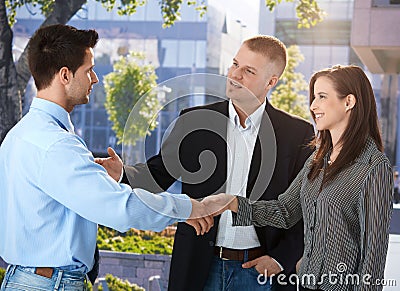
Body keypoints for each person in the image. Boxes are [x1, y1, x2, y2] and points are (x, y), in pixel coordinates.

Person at [0, 24, 213, 291]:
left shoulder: (20, 135)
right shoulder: (56, 145)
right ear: (65, 75)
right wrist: (190, 208)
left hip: (30, 279)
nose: (95, 79)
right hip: (48, 284)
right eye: (89, 70)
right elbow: (120, 209)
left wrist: (99, 176)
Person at [98, 35, 314, 291]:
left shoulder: (297, 134)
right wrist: (123, 173)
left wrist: (280, 260)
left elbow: (305, 208)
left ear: (271, 82)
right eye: (234, 64)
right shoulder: (194, 122)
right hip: (200, 265)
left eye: (248, 71)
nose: (235, 75)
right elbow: (159, 174)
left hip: (261, 273)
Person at [207, 65, 394, 291]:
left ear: (349, 102)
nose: (313, 106)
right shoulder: (318, 158)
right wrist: (233, 203)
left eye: (322, 97)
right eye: (313, 97)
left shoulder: (374, 166)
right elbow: (285, 212)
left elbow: (374, 255)